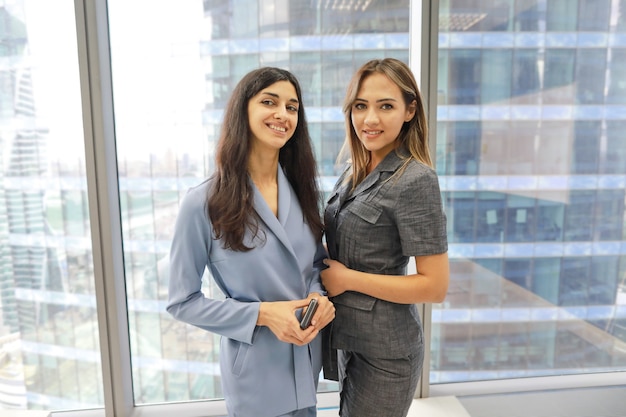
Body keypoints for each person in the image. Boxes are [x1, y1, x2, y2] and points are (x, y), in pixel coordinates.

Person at [167, 67, 335, 417]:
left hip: (306, 362)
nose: (282, 114)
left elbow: (315, 266)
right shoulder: (203, 202)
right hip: (256, 376)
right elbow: (182, 301)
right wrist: (262, 314)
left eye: (292, 107)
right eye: (269, 102)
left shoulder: (302, 191)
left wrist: (319, 299)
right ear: (243, 111)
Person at [321, 58, 450, 417]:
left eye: (386, 106)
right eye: (361, 106)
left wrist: (347, 279)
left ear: (410, 110)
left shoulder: (415, 179)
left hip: (387, 353)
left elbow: (434, 287)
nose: (370, 119)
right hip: (348, 339)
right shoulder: (353, 172)